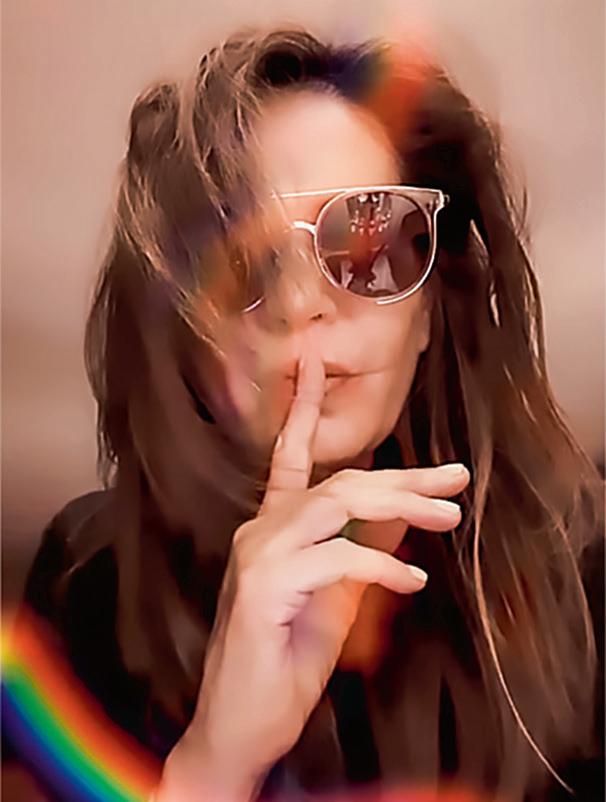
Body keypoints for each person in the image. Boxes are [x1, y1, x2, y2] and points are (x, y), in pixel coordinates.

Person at [7, 26, 604, 802]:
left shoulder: (582, 570)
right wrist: (213, 763)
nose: (299, 305)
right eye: (241, 265)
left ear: (430, 309)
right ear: (179, 339)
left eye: (368, 243)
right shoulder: (88, 587)